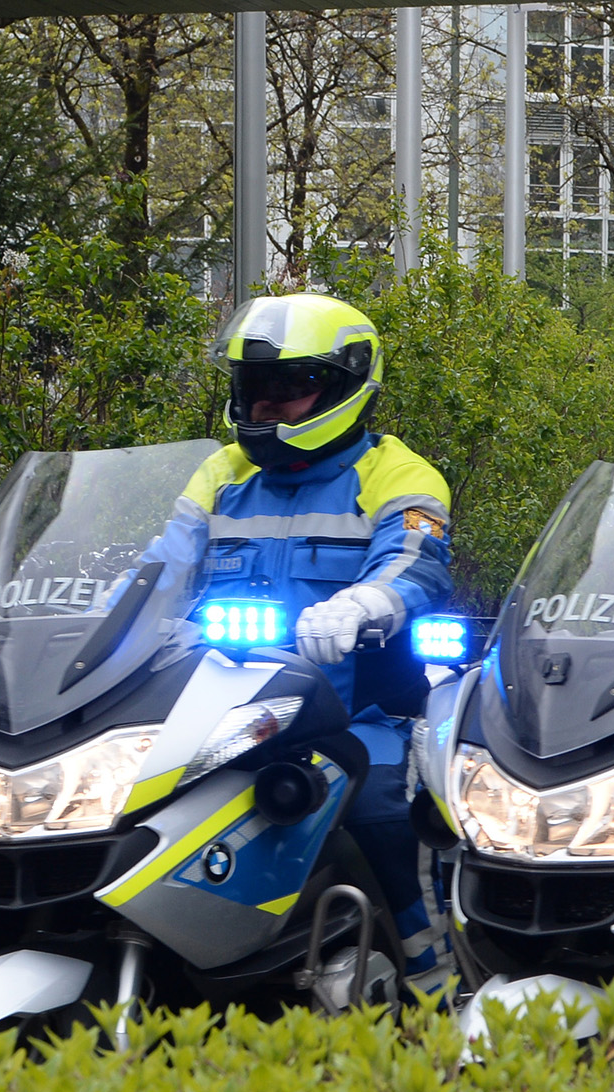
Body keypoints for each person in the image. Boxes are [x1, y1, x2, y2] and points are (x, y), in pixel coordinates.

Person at [161, 292, 454, 983]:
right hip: (225, 724)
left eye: (290, 385)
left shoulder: (397, 472)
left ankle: (436, 984)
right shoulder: (223, 472)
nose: (266, 403)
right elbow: (158, 568)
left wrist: (362, 602)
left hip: (358, 720)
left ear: (348, 385)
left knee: (386, 811)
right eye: (255, 385)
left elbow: (417, 561)